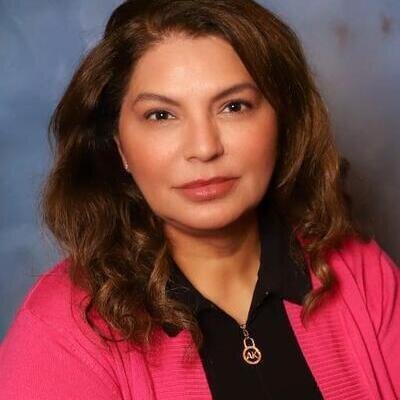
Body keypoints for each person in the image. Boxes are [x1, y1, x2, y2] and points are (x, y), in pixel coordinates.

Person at [0, 0, 399, 398]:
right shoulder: (61, 332)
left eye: (234, 106)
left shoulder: (361, 272)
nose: (204, 148)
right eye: (161, 115)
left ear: (282, 122)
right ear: (119, 144)